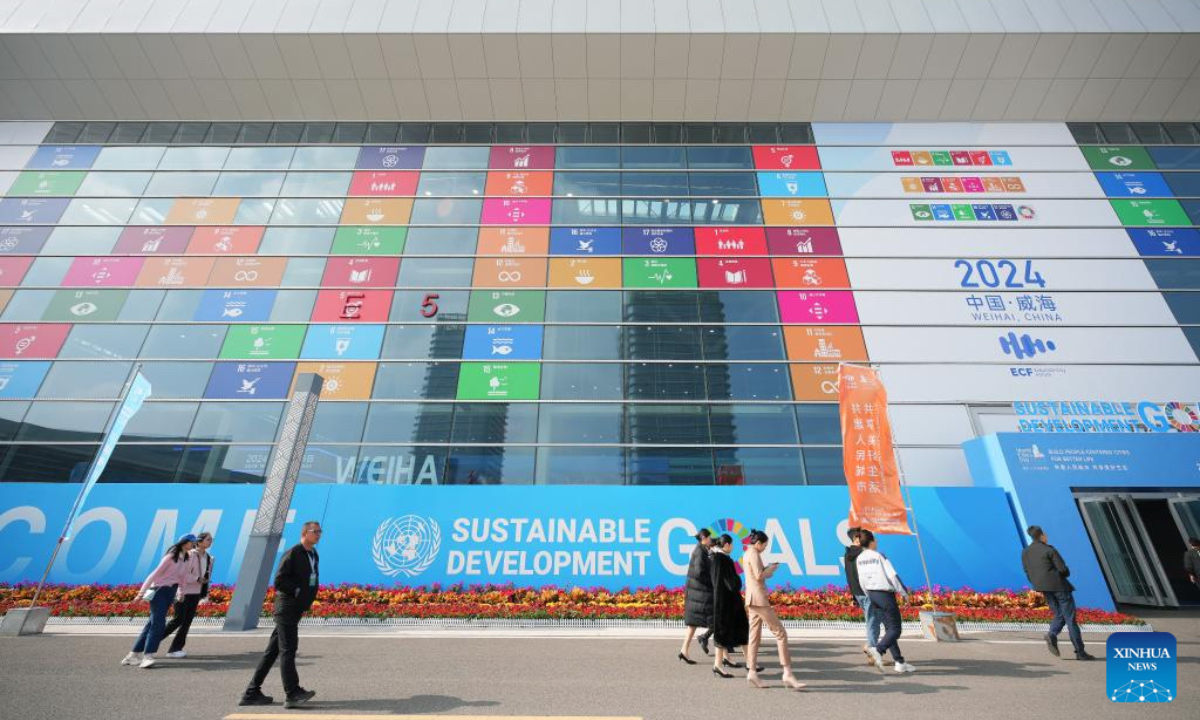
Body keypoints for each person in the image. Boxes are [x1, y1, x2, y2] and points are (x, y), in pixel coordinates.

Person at [241, 521, 323, 708]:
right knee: (288, 649)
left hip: (296, 608)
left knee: (272, 652)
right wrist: (296, 592)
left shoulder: (313, 554)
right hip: (286, 606)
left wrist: (306, 599)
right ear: (305, 533)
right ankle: (292, 692)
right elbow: (279, 580)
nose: (318, 534)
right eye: (315, 531)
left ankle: (251, 692)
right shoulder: (293, 553)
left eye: (320, 531)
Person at [742, 530, 805, 690]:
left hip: (751, 598)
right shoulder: (754, 553)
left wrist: (768, 569)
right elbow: (759, 575)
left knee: (754, 636)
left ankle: (752, 672)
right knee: (781, 633)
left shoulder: (748, 553)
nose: (764, 548)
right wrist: (771, 569)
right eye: (765, 545)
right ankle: (787, 673)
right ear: (758, 543)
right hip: (759, 599)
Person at [122, 534, 197, 669]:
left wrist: (181, 592)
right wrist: (140, 594)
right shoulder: (170, 557)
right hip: (157, 590)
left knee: (151, 623)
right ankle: (148, 656)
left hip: (170, 592)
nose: (193, 544)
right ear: (184, 542)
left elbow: (183, 577)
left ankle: (132, 655)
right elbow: (154, 574)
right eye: (192, 542)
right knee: (158, 623)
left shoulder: (186, 558)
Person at [1021, 525, 1095, 661]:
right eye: (1045, 534)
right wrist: (1065, 572)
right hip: (1060, 587)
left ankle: (1052, 634)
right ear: (1042, 535)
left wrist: (1038, 583)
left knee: (1059, 615)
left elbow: (1027, 571)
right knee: (1070, 619)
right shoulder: (1049, 549)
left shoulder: (1025, 552)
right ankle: (1080, 652)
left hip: (1043, 587)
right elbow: (1063, 569)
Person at [857, 530, 916, 674]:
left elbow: (861, 580)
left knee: (890, 629)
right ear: (871, 542)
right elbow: (893, 576)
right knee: (896, 629)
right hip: (884, 594)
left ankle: (899, 662)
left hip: (872, 594)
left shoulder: (859, 558)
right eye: (875, 540)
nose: (877, 542)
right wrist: (904, 593)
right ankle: (878, 651)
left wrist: (869, 594)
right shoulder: (879, 556)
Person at [162, 531, 214, 658]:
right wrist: (197, 579)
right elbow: (182, 573)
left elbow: (207, 575)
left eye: (211, 539)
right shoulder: (190, 555)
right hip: (183, 591)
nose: (210, 541)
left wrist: (205, 590)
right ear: (199, 541)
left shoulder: (209, 557)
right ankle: (151, 642)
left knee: (187, 622)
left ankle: (175, 649)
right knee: (178, 620)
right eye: (208, 539)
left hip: (196, 593)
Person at [708, 534, 750, 679]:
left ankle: (748, 663)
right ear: (726, 545)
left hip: (721, 602)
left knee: (726, 633)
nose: (732, 547)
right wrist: (738, 579)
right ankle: (718, 666)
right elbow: (733, 584)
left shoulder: (714, 558)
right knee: (730, 633)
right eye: (731, 544)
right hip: (728, 603)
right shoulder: (724, 560)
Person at [844, 527, 880, 665]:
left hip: (858, 593)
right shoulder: (864, 555)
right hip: (867, 592)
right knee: (873, 622)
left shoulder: (847, 554)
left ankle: (871, 648)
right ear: (857, 539)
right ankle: (871, 649)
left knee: (873, 621)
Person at [679, 528, 715, 663]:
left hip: (697, 595)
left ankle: (684, 650)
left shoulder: (702, 550)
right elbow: (700, 573)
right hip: (701, 595)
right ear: (704, 538)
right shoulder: (700, 552)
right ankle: (723, 658)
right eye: (709, 537)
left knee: (693, 625)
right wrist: (712, 582)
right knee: (717, 621)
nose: (711, 539)